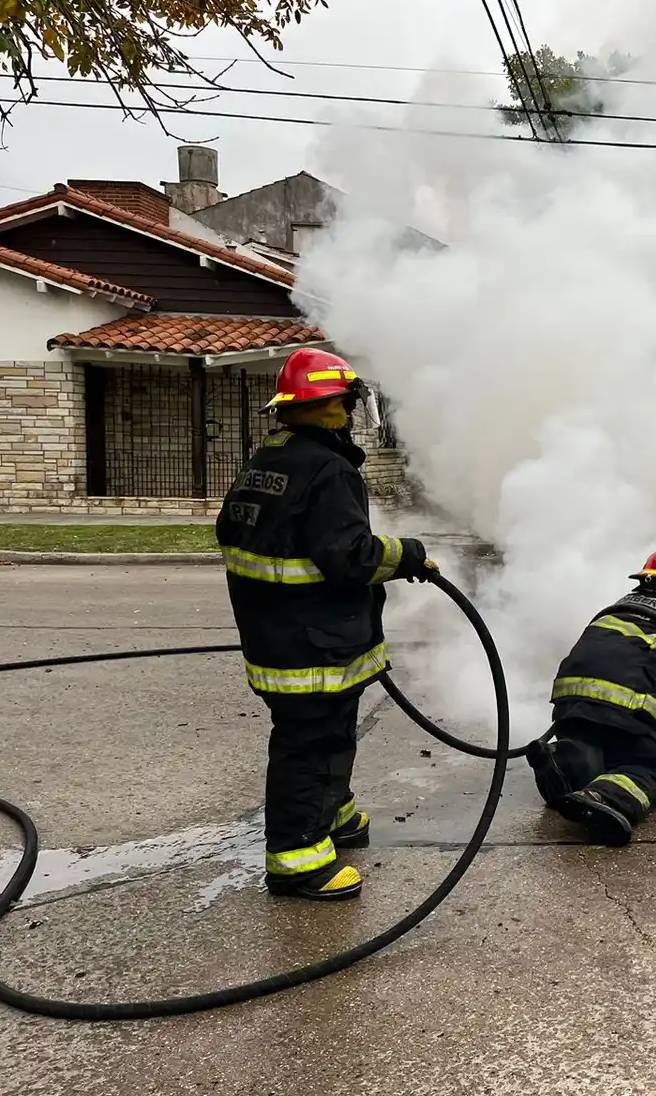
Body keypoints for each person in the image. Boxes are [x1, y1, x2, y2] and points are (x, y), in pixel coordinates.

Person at [216, 347, 434, 903]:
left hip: (278, 634)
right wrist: (408, 555)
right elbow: (351, 557)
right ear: (333, 404)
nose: (351, 413)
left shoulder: (269, 459)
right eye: (347, 403)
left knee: (329, 733)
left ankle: (333, 813)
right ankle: (298, 862)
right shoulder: (329, 469)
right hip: (314, 643)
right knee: (309, 746)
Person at [527, 546, 656, 846]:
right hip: (622, 702)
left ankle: (561, 761)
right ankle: (605, 798)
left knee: (597, 758)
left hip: (568, 698)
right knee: (647, 771)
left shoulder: (620, 605)